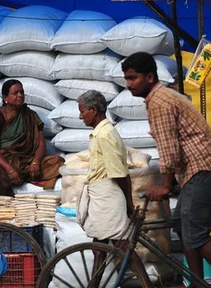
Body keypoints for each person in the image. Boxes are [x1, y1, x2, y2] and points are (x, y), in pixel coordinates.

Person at [122, 52, 211, 287]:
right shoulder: (161, 97)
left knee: (195, 233)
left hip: (204, 169)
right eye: (126, 78)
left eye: (133, 78)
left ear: (150, 76)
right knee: (180, 223)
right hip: (198, 170)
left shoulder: (160, 103)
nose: (128, 84)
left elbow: (169, 148)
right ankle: (196, 282)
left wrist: (165, 185)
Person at [76, 90, 140, 286]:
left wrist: (128, 205)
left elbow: (120, 173)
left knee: (121, 244)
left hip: (108, 197)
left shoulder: (105, 135)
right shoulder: (101, 133)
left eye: (82, 111)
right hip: (101, 196)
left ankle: (146, 281)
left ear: (94, 110)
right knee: (100, 249)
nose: (80, 116)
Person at [0, 79, 64, 197]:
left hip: (27, 162)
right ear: (5, 97)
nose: (20, 95)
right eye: (15, 93)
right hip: (5, 162)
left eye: (21, 92)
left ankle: (24, 175)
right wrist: (10, 170)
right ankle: (8, 192)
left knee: (58, 162)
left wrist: (36, 163)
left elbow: (41, 144)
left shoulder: (30, 115)